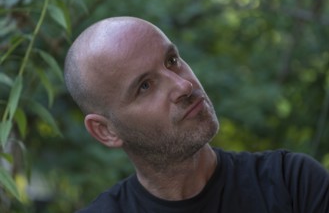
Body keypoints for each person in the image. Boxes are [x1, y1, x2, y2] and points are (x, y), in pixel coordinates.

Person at [64, 16, 329, 213]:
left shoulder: (292, 185)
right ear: (106, 131)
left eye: (172, 61)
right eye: (145, 86)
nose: (183, 85)